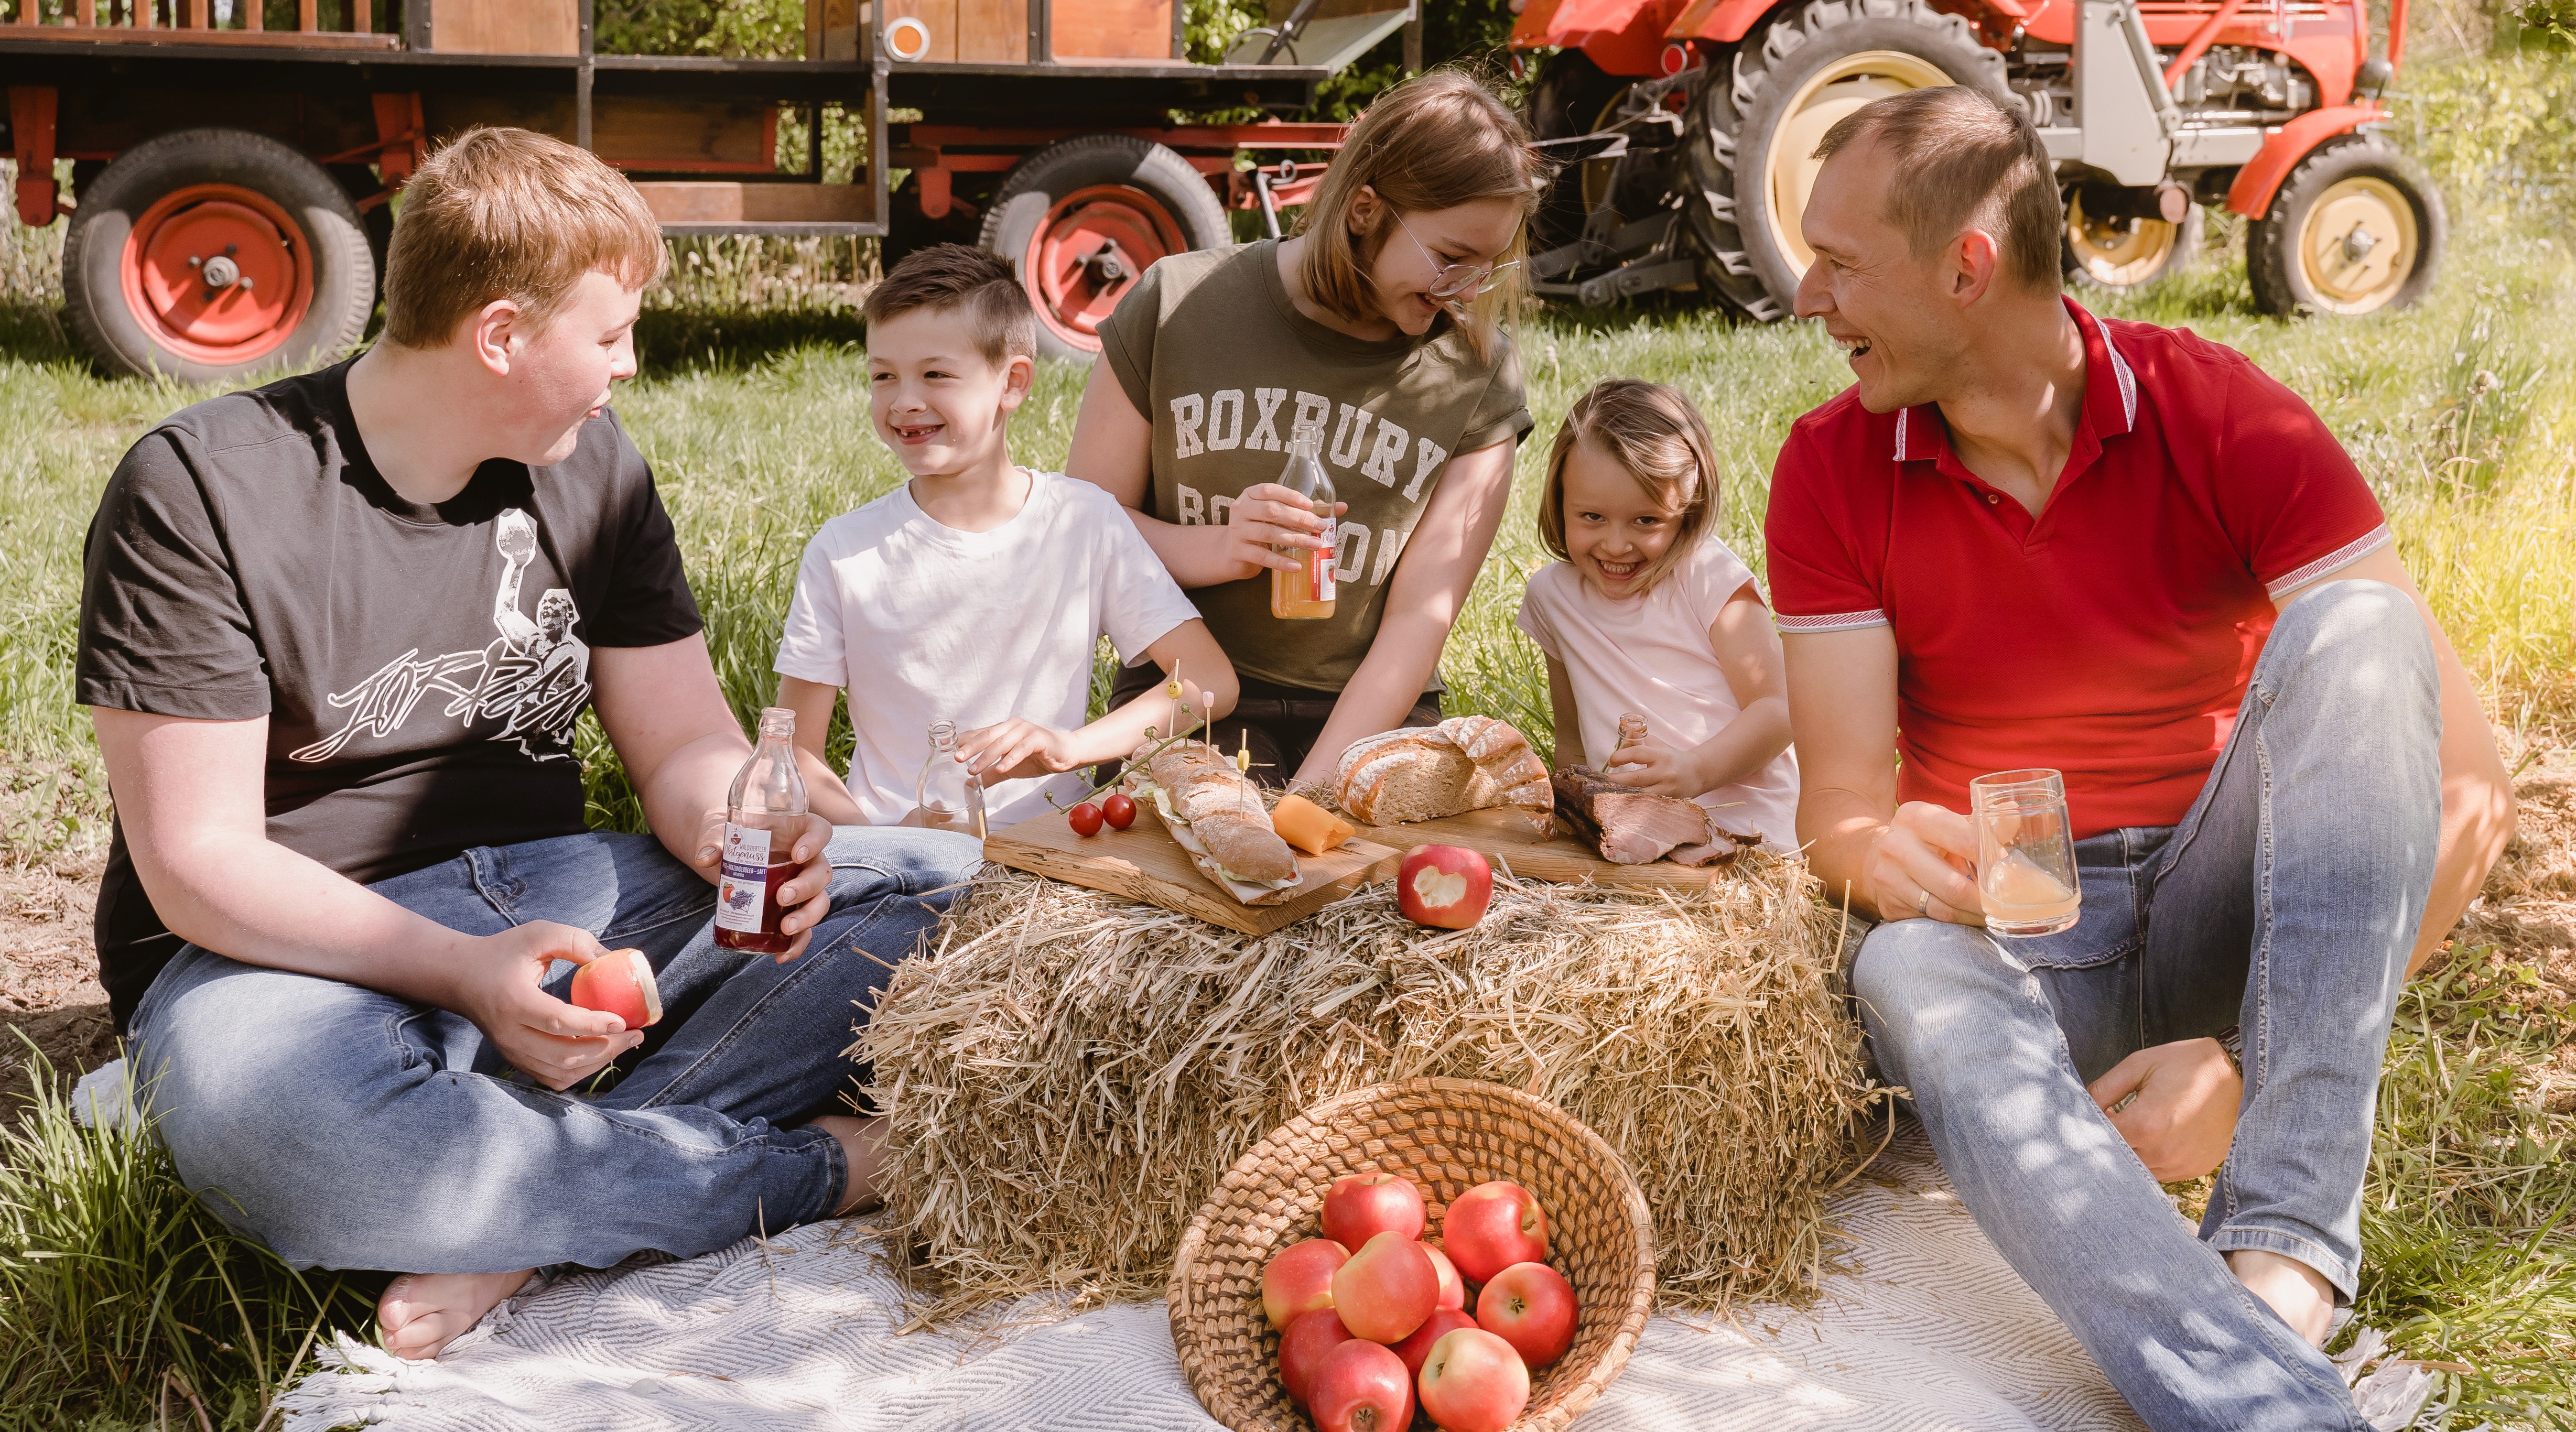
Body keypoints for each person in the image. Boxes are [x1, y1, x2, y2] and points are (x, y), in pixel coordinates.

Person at [79, 128, 978, 1361]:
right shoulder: (202, 488)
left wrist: (731, 827)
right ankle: (831, 1160)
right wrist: (464, 970)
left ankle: (515, 1217)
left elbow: (680, 742)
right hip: (298, 949)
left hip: (560, 889)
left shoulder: (593, 467)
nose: (630, 364)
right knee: (281, 1136)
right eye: (609, 335)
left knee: (956, 894)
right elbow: (197, 862)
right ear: (502, 336)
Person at [1763, 86, 2512, 1432]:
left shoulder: (2222, 413)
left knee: (2359, 623)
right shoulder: (1826, 465)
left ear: (1966, 266)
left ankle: (2278, 1254)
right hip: (2021, 941)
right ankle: (2266, 1397)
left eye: (1840, 258)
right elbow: (1836, 812)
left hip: (2239, 920)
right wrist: (1878, 853)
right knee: (1900, 962)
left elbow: (2471, 789)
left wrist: (2242, 1054)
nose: (1806, 291)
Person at [1064, 71, 1540, 791]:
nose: (1469, 291)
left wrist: (1313, 799)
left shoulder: (1476, 375)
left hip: (1372, 711)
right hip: (1190, 695)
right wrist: (1219, 546)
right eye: (1450, 259)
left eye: (1489, 265)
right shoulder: (1175, 306)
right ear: (1363, 209)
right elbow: (1078, 535)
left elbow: (1421, 616)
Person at [773, 246, 1232, 827]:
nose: (904, 400)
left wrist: (1068, 748)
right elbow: (798, 750)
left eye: (935, 374)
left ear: (1013, 383)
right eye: (882, 376)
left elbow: (1207, 682)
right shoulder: (843, 552)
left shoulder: (1083, 521)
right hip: (895, 864)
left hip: (1049, 859)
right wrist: (884, 846)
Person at [1516, 377, 1797, 851]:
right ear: (1559, 502)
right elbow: (1574, 744)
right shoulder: (1553, 597)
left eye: (1646, 521)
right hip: (1630, 834)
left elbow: (1781, 709)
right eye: (1592, 517)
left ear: (1687, 512)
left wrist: (1697, 770)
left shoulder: (1705, 575)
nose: (1616, 544)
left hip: (1749, 829)